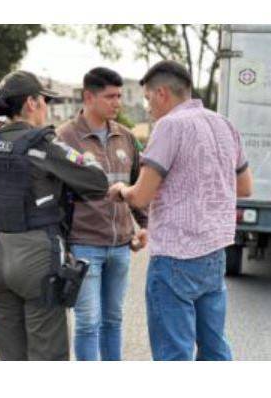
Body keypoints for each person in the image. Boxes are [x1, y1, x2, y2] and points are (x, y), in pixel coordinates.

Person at [109, 60, 254, 361]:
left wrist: (121, 191)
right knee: (214, 349)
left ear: (162, 93)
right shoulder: (223, 123)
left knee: (174, 355)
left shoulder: (169, 126)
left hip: (175, 257)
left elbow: (141, 196)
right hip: (214, 254)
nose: (148, 108)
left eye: (148, 99)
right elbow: (245, 187)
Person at [0, 70, 109, 360]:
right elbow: (97, 183)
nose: (46, 107)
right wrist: (83, 164)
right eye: (44, 100)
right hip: (36, 258)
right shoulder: (44, 144)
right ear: (31, 102)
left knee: (11, 357)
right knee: (47, 356)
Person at [55, 67, 149, 360]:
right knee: (88, 323)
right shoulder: (64, 138)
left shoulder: (126, 137)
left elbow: (138, 186)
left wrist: (145, 225)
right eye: (110, 96)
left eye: (120, 96)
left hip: (121, 245)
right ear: (88, 97)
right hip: (84, 245)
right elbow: (55, 194)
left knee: (113, 321)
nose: (117, 102)